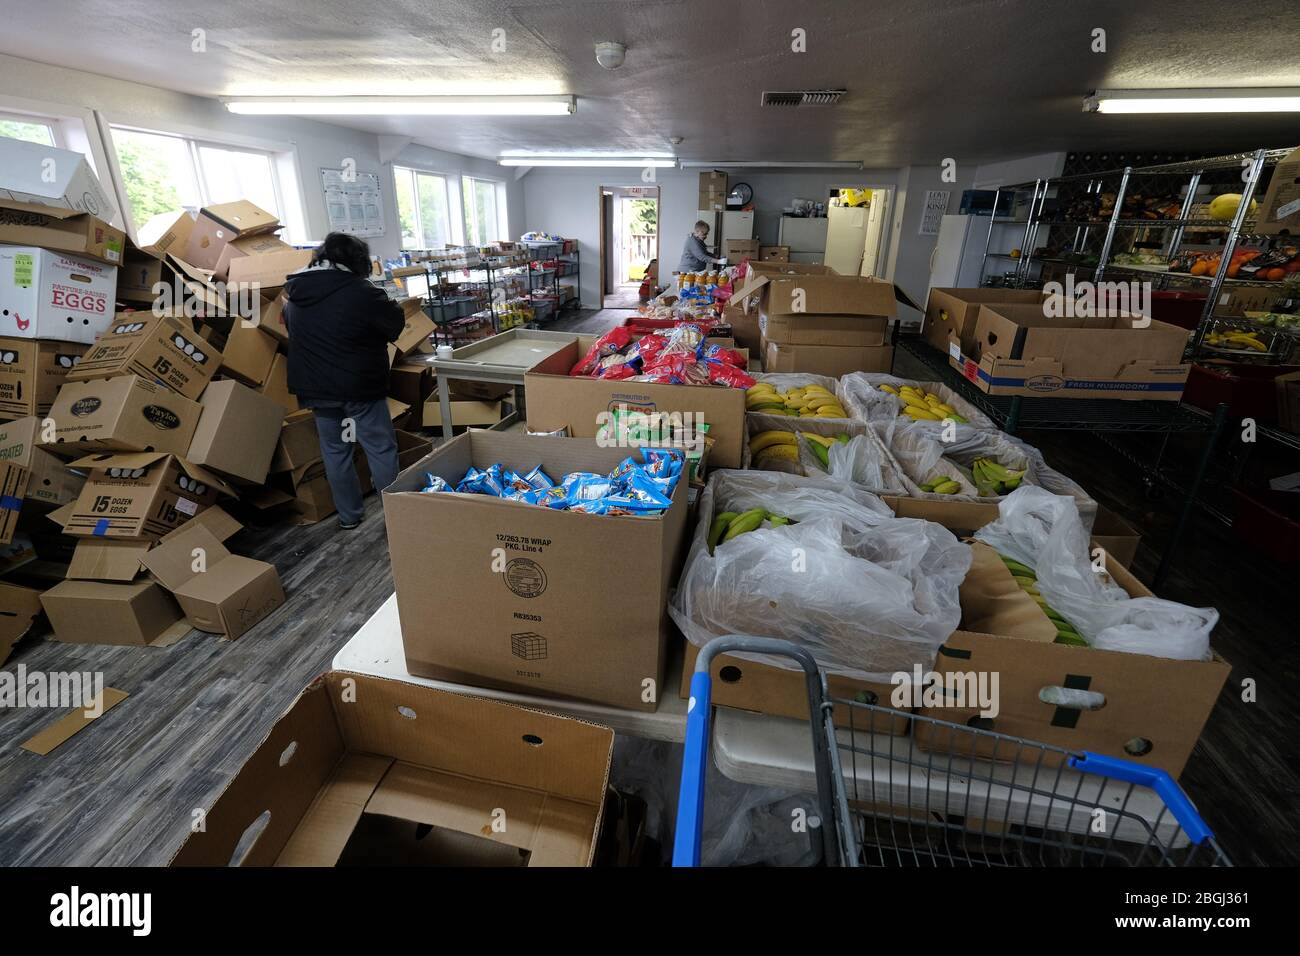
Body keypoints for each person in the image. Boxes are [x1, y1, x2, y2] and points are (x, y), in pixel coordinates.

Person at [282, 232, 405, 530]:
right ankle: (397, 521)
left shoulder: (295, 293)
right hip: (359, 386)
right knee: (379, 448)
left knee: (336, 450)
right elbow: (394, 325)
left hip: (316, 389)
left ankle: (349, 516)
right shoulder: (361, 292)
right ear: (357, 261)